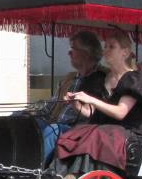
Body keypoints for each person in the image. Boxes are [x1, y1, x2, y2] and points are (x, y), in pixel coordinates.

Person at [54, 31, 142, 179]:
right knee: (75, 133)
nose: (106, 50)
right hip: (105, 130)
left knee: (96, 135)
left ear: (125, 52)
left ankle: (77, 176)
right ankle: (58, 175)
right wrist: (75, 104)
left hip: (127, 134)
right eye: (105, 46)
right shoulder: (101, 78)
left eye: (111, 47)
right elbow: (91, 112)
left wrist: (91, 99)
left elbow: (121, 112)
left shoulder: (135, 79)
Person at [40, 31, 106, 165]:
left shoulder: (101, 78)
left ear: (87, 53)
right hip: (55, 122)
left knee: (54, 130)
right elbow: (49, 107)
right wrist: (30, 112)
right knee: (27, 121)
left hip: (80, 130)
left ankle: (33, 169)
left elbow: (92, 113)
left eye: (73, 49)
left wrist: (76, 105)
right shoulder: (69, 78)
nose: (69, 53)